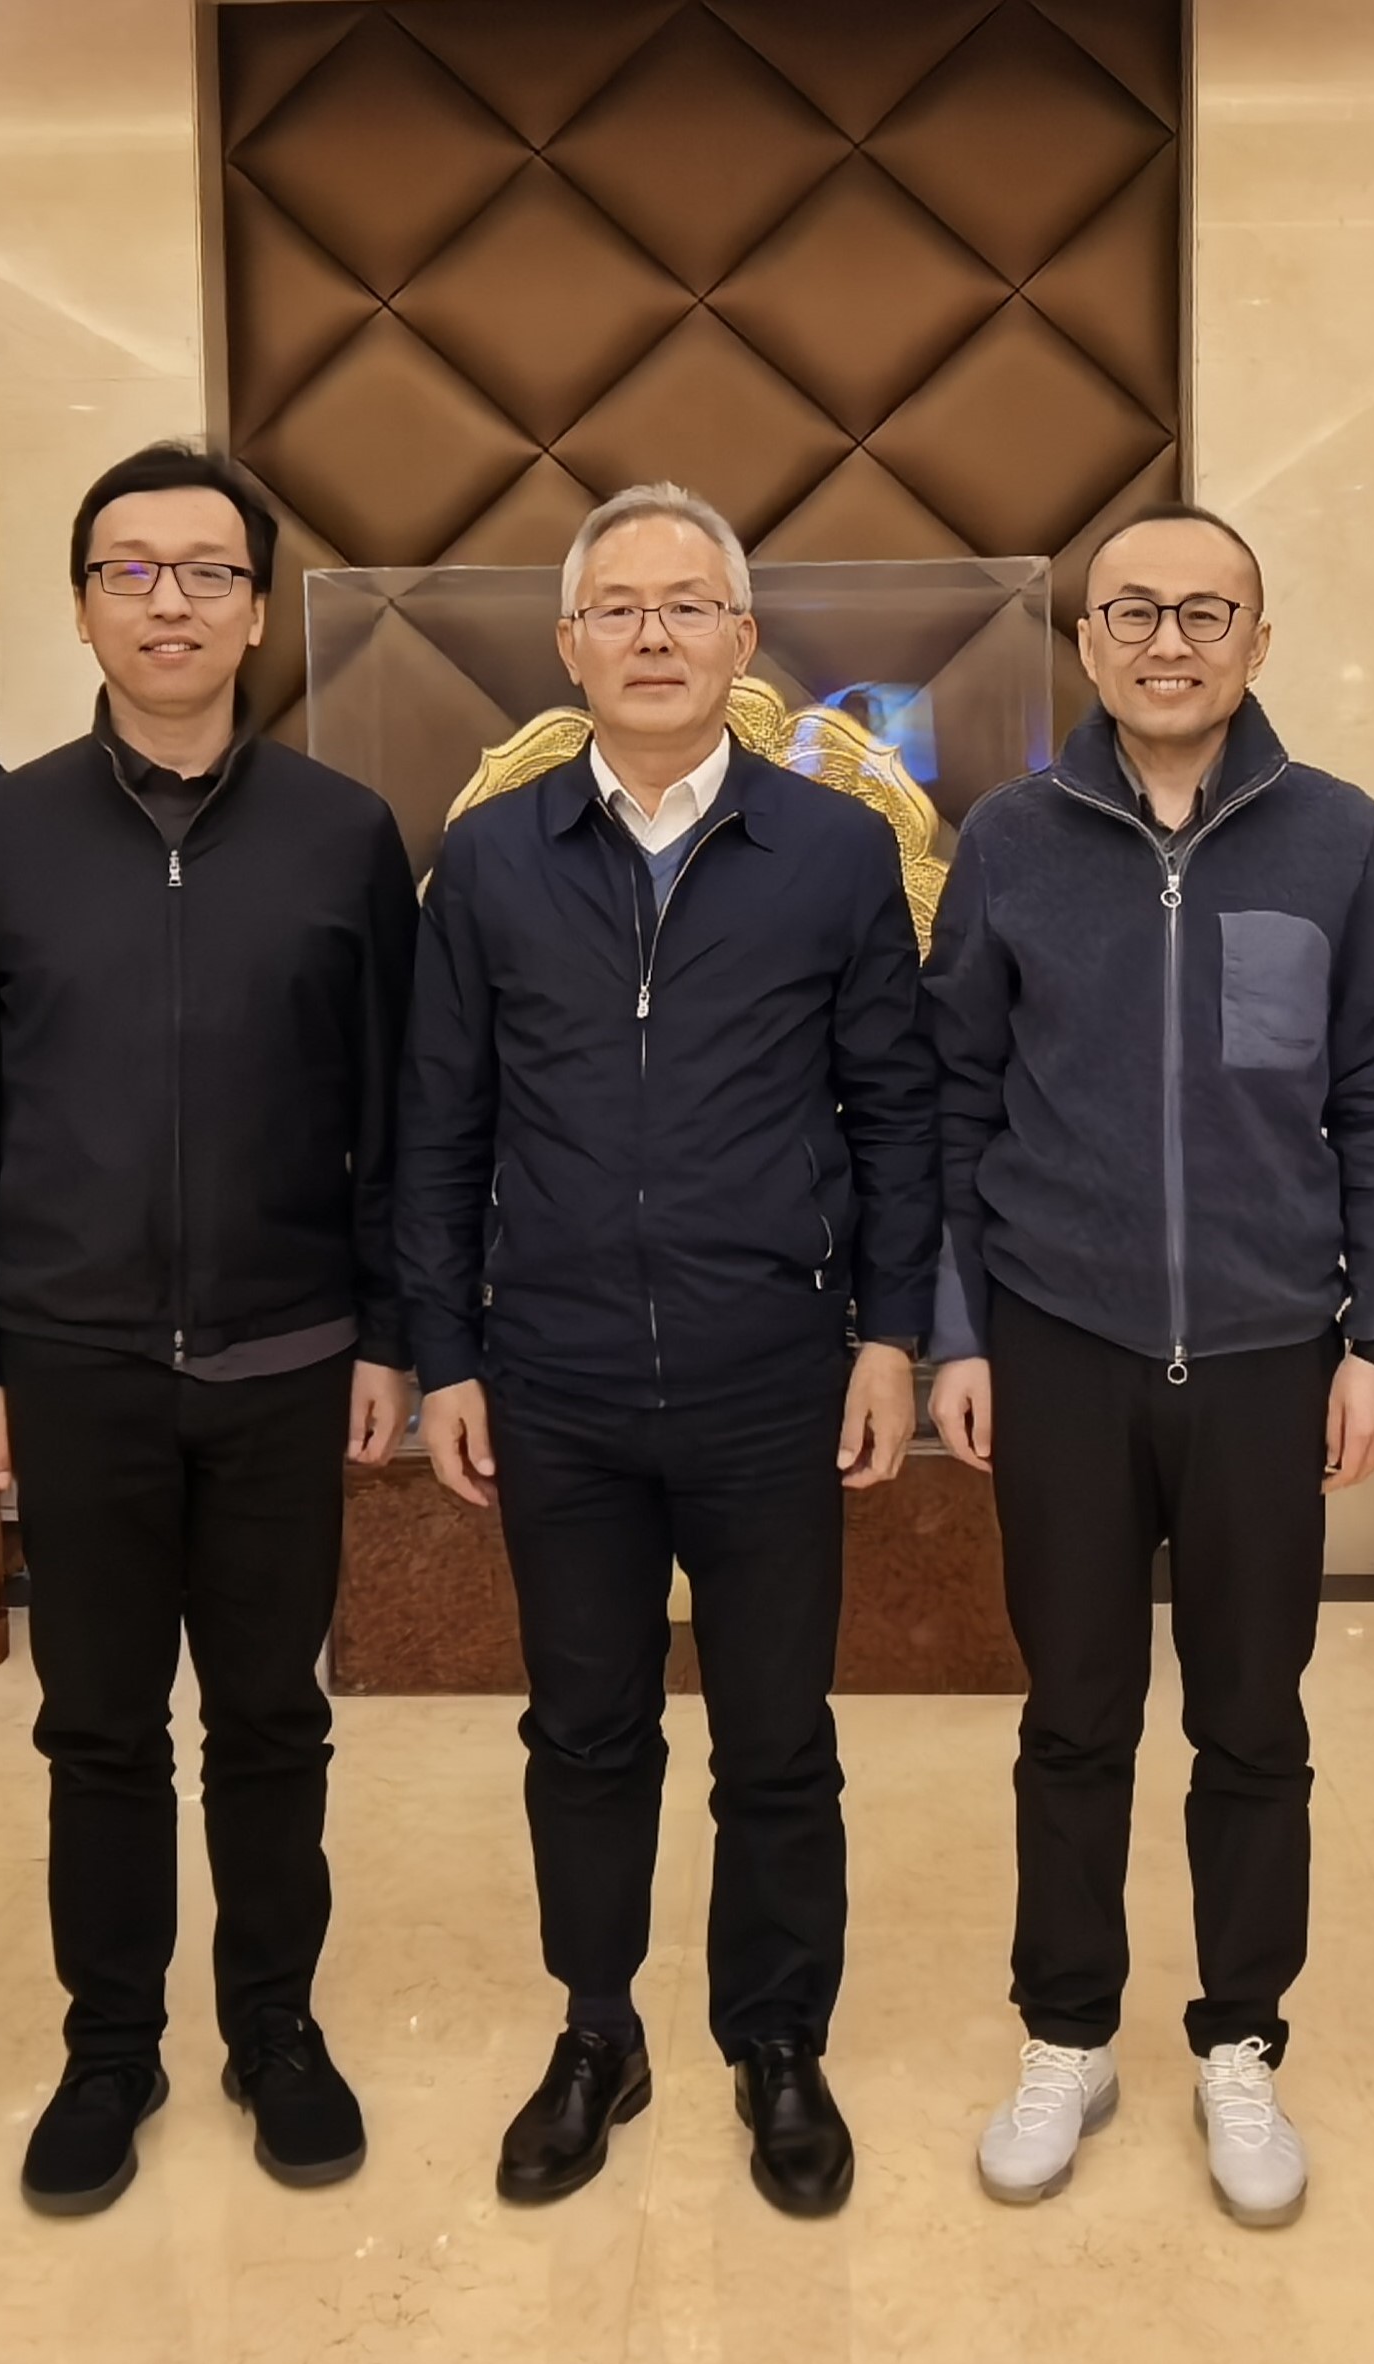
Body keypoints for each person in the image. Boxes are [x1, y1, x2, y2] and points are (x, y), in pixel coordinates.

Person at [394, 482, 935, 2219]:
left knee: (778, 1736)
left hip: (772, 1372)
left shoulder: (834, 851)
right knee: (584, 1730)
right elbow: (439, 1128)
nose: (652, 634)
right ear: (567, 645)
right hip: (552, 1379)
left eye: (687, 605)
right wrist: (448, 1354)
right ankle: (598, 2028)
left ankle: (776, 2039)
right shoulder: (491, 859)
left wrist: (894, 1333)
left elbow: (896, 1113)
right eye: (617, 608)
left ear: (742, 639)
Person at [922, 505, 1374, 2228]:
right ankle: (1068, 2031)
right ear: (1086, 641)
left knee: (1253, 1717)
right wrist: (959, 1329)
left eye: (1206, 612)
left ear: (1259, 641)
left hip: (1269, 1348)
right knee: (1073, 1711)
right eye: (1132, 610)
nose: (1168, 640)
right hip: (1059, 1341)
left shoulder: (1340, 837)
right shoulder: (1010, 838)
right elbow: (953, 1104)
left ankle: (1242, 2040)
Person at [0, 443, 417, 2215]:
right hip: (77, 1365)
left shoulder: (344, 834)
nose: (170, 603)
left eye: (207, 571)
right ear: (82, 608)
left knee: (274, 1717)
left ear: (258, 610)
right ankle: (110, 2046)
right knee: (100, 1725)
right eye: (129, 571)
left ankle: (274, 2027)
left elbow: (397, 1112)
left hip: (290, 1360)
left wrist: (389, 1334)